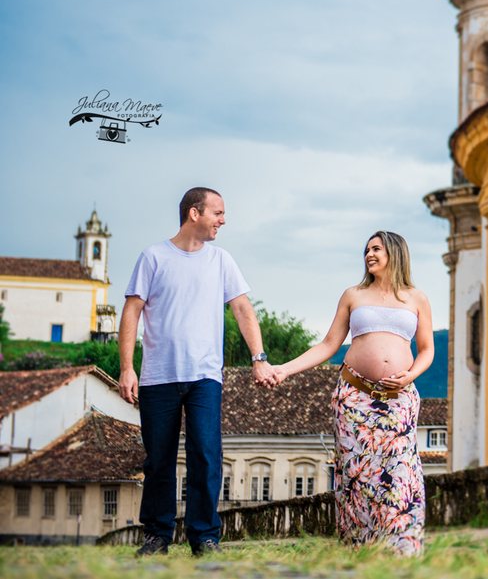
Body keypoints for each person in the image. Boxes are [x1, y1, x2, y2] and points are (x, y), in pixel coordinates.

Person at [118, 187, 276, 557]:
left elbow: (242, 309)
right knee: (158, 459)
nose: (223, 220)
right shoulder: (153, 257)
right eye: (217, 213)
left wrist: (259, 357)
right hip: (158, 376)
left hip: (205, 376)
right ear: (194, 213)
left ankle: (204, 537)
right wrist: (127, 368)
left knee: (206, 454)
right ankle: (157, 534)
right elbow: (131, 312)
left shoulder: (221, 260)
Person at [272, 230, 433, 557]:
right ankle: (360, 548)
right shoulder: (353, 295)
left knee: (400, 471)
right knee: (357, 474)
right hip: (355, 396)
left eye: (376, 249)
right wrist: (284, 369)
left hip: (398, 400)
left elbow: (427, 350)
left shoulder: (416, 298)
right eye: (367, 250)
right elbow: (328, 345)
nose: (369, 255)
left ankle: (400, 549)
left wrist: (410, 375)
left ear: (395, 252)